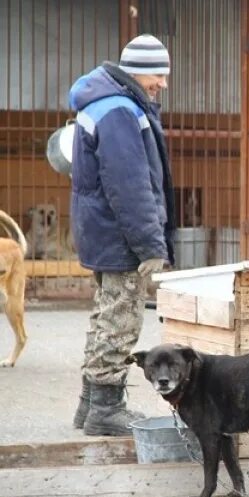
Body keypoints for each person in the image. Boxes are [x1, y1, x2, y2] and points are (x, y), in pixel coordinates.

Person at [68, 34, 176, 436]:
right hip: (120, 235)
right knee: (121, 320)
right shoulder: (118, 110)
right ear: (137, 71)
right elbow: (130, 186)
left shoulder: (105, 101)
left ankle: (89, 405)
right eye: (158, 75)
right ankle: (106, 410)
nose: (162, 84)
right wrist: (151, 244)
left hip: (103, 230)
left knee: (105, 315)